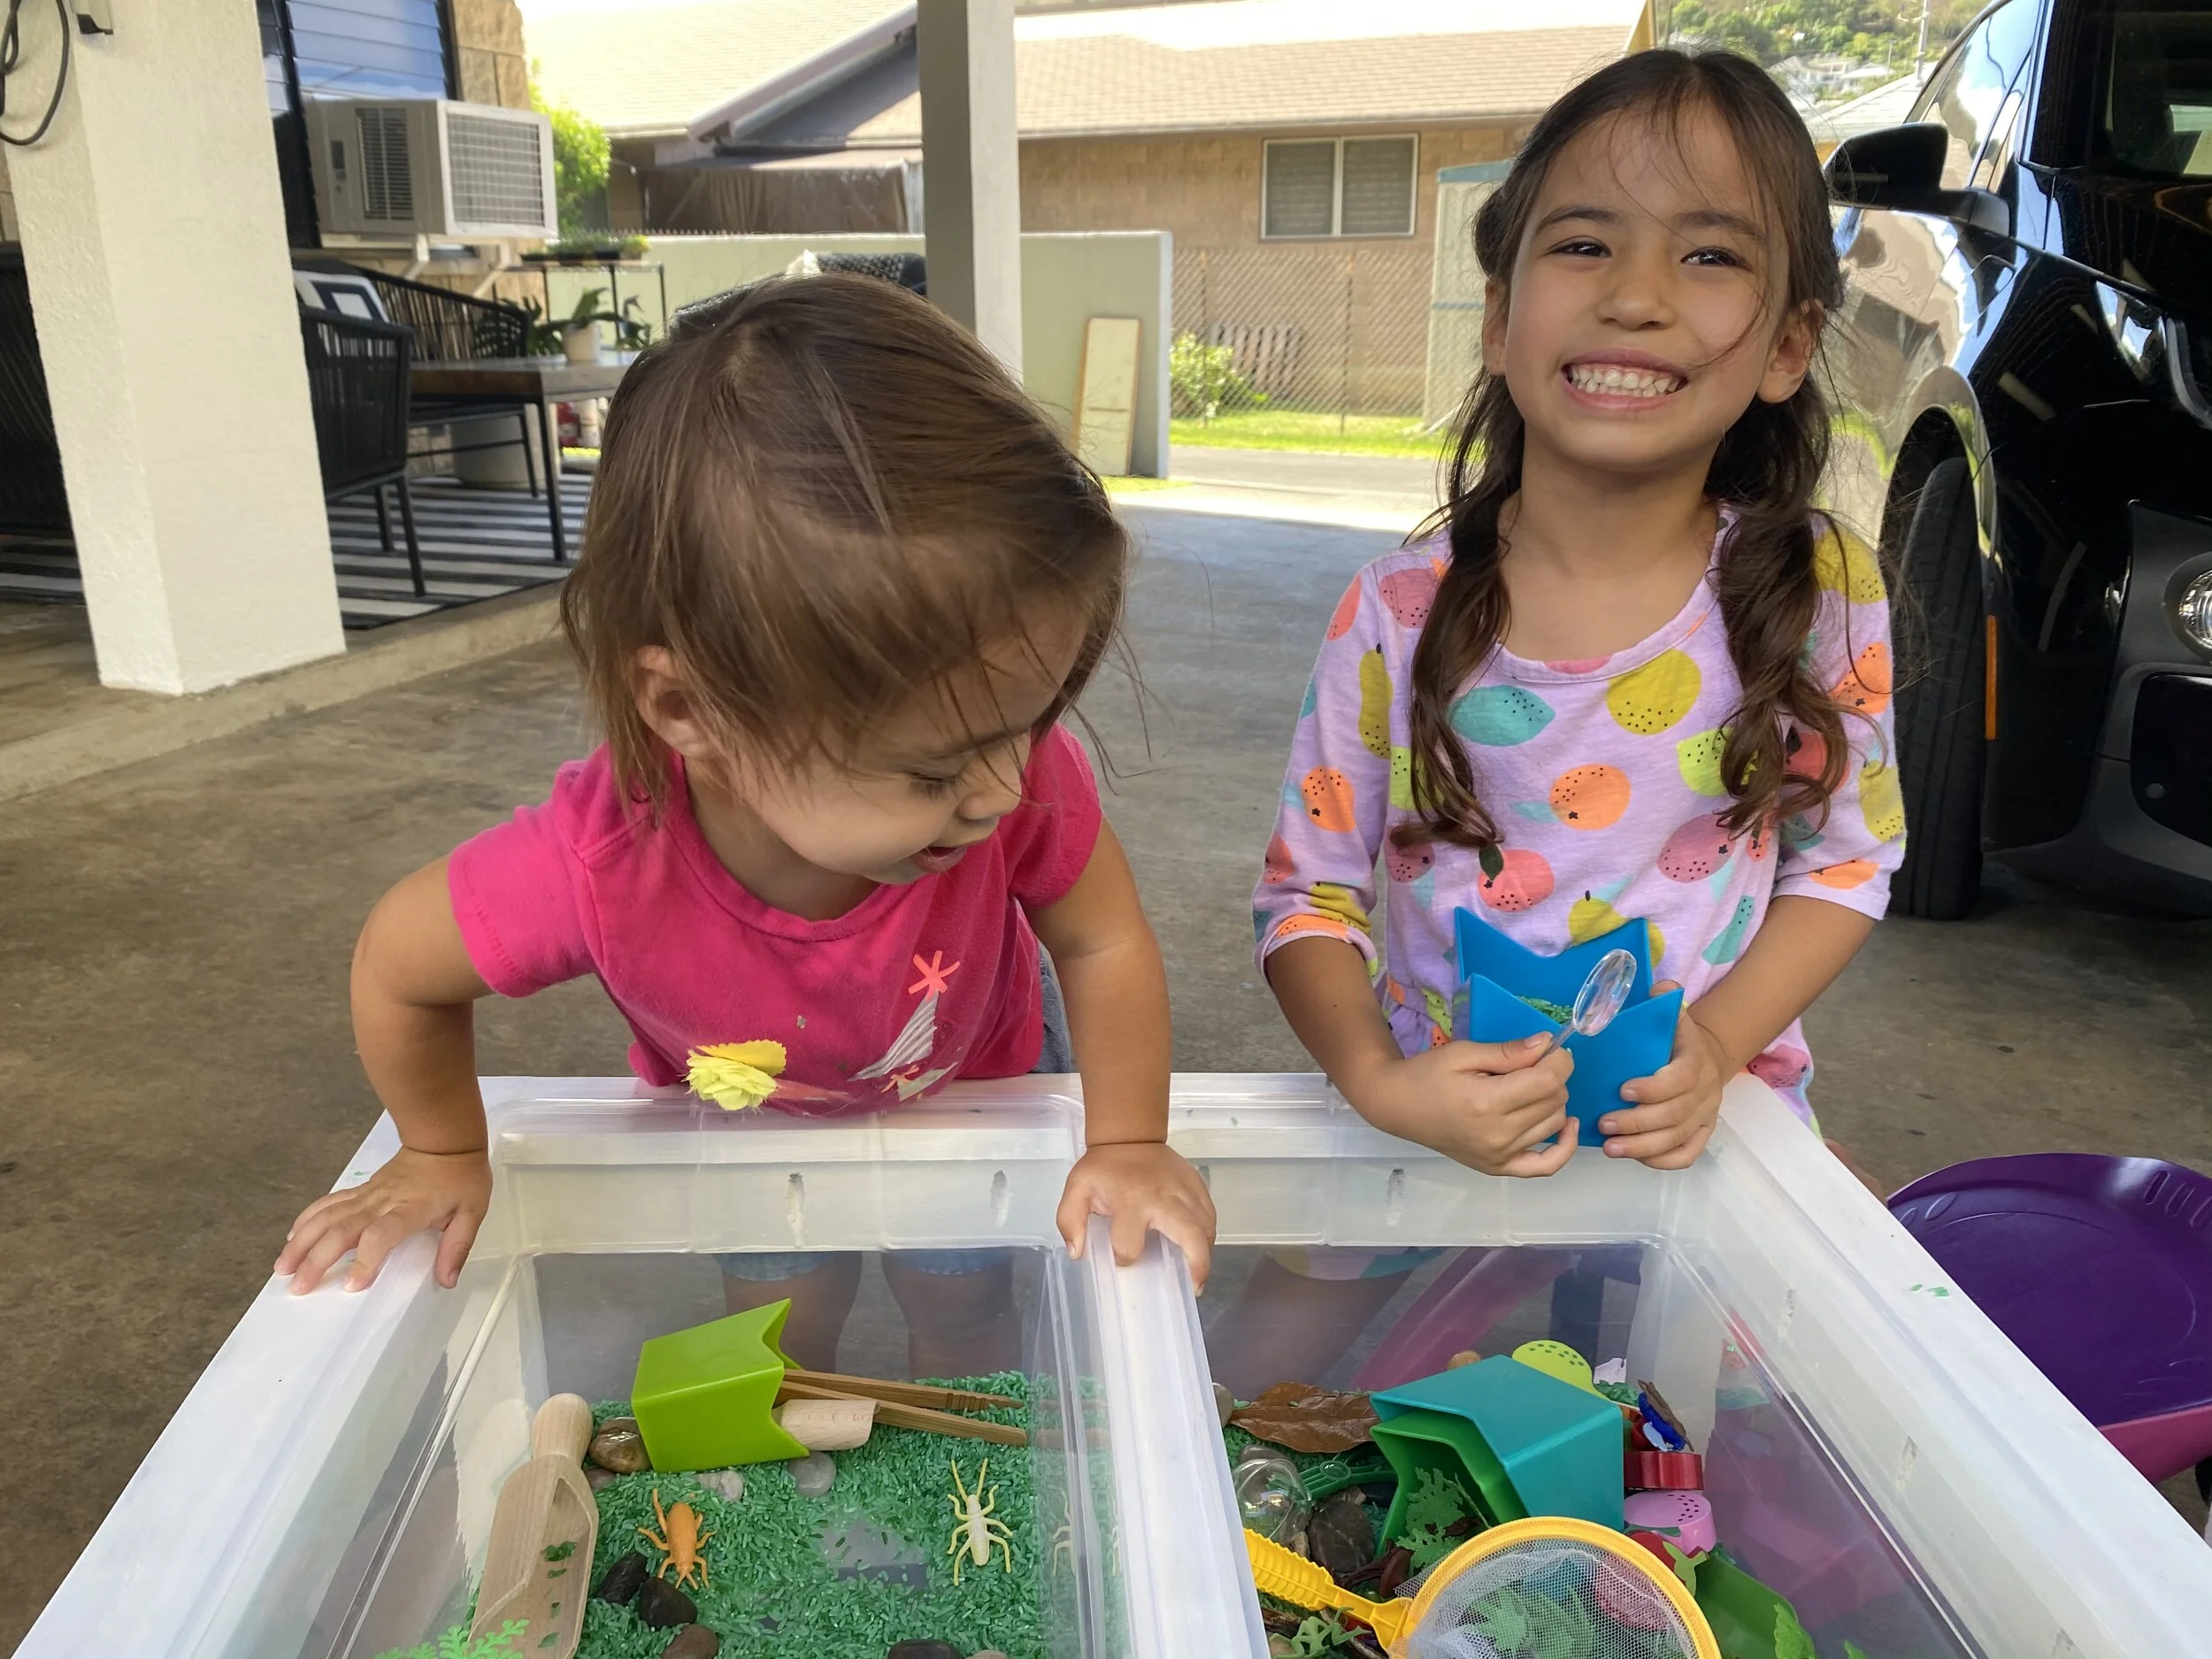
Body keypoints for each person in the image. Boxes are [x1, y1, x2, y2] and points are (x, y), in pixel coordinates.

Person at [276, 274, 1214, 1376]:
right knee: (778, 1329)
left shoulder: (1004, 767)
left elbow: (1100, 939)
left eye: (1035, 720)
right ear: (688, 709)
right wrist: (439, 1150)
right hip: (753, 1123)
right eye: (933, 767)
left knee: (962, 1311)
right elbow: (400, 966)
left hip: (978, 1084)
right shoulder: (599, 862)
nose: (1006, 789)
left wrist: (1128, 1140)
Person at [1217, 50, 1903, 1393]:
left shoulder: (1821, 589)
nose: (1636, 295)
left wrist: (1716, 1047)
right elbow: (1308, 897)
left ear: (1786, 345)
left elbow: (1846, 864)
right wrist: (1379, 1084)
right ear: (1498, 315)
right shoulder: (1398, 609)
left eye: (1710, 255)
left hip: (1697, 1124)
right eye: (1584, 242)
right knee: (1239, 1391)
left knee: (1782, 1414)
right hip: (1434, 1111)